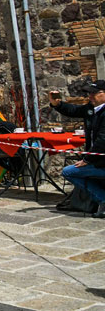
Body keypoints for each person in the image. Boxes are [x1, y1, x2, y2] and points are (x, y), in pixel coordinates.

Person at [50, 82, 105, 215]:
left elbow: (103, 140)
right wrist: (58, 104)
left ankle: (102, 199)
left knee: (69, 172)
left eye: (94, 93)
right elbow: (74, 110)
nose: (90, 96)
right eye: (89, 93)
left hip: (101, 161)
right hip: (97, 160)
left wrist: (87, 160)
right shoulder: (91, 109)